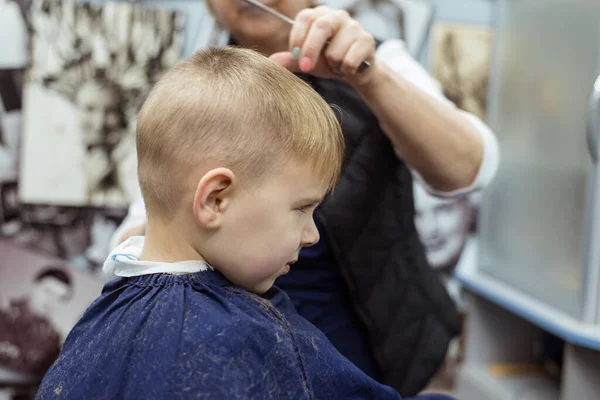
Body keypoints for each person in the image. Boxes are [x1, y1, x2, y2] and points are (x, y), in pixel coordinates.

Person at [111, 1, 500, 395]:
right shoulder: (190, 86)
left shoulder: (375, 59)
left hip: (378, 344)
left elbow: (469, 169)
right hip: (244, 344)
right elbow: (141, 230)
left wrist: (370, 77)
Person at [36, 47, 452, 400]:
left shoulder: (97, 317)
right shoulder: (248, 339)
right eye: (302, 209)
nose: (312, 235)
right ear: (216, 199)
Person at [0, 267, 72, 375]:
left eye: (59, 298)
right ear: (34, 286)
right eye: (48, 291)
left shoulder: (53, 340)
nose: (51, 301)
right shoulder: (3, 316)